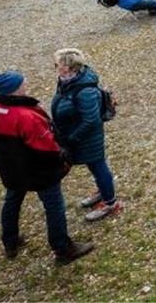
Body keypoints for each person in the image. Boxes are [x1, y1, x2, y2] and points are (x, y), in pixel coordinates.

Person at [0, 71, 95, 264]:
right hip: (39, 172)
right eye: (22, 82)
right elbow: (47, 149)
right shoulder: (27, 116)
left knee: (12, 201)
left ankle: (10, 241)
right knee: (54, 206)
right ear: (17, 88)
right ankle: (62, 248)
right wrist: (63, 160)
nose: (26, 83)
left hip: (10, 170)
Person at [50, 48, 122, 222]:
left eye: (58, 64)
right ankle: (102, 190)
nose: (56, 67)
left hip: (87, 138)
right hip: (78, 135)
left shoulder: (85, 91)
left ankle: (110, 202)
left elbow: (91, 120)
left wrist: (72, 138)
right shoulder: (67, 81)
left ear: (69, 67)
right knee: (94, 166)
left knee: (98, 165)